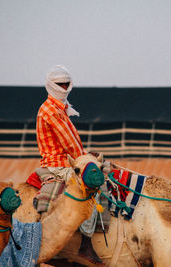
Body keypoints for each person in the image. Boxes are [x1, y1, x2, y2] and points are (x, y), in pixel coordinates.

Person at [34, 65, 103, 265]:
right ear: (50, 85)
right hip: (59, 164)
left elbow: (73, 143)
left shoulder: (60, 107)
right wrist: (85, 158)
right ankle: (86, 243)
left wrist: (86, 155)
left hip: (69, 160)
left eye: (66, 83)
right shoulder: (51, 110)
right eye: (59, 84)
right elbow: (70, 145)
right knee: (93, 184)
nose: (64, 87)